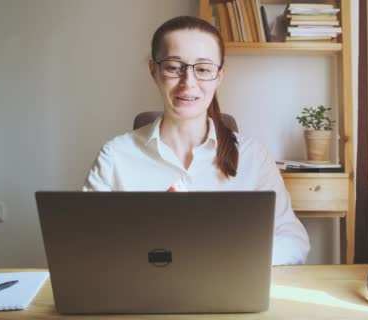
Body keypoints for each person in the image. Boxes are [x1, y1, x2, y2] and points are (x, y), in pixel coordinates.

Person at [83, 16, 309, 265]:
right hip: (143, 299)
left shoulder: (253, 157)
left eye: (203, 69)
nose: (188, 83)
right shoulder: (115, 156)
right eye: (173, 67)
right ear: (154, 71)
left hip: (229, 293)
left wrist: (228, 255)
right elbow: (82, 243)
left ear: (219, 75)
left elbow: (294, 240)